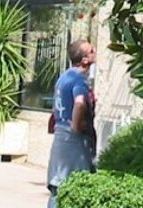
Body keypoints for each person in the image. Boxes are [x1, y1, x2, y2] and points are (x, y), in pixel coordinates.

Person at [46, 39, 96, 208]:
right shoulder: (79, 79)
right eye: (91, 51)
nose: (95, 51)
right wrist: (76, 125)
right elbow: (80, 102)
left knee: (58, 186)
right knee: (74, 185)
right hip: (72, 140)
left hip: (60, 134)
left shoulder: (64, 77)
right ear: (84, 60)